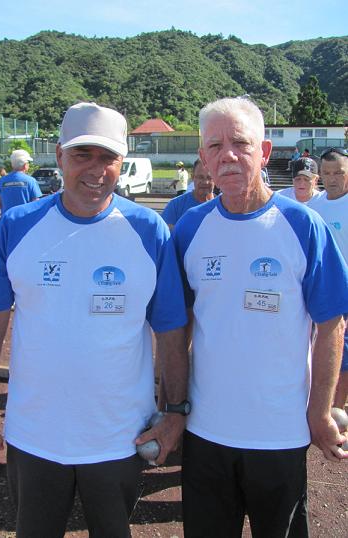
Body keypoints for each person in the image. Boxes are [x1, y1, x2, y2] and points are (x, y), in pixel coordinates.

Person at [0, 102, 189, 538]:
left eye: (108, 157)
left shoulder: (149, 230)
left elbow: (171, 330)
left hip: (119, 437)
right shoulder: (18, 224)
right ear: (60, 156)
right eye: (83, 154)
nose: (96, 169)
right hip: (36, 437)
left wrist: (174, 412)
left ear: (121, 163)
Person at [172, 97, 348, 538]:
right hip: (206, 431)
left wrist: (320, 410)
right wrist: (171, 405)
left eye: (240, 143)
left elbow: (331, 325)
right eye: (214, 146)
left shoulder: (304, 226)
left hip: (280, 431)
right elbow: (177, 326)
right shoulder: (189, 229)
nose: (227, 155)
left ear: (265, 152)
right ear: (202, 157)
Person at [309, 147, 348, 411]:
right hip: (318, 294)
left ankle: (335, 409)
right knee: (316, 352)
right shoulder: (313, 208)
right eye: (326, 173)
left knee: (342, 356)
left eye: (339, 172)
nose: (332, 178)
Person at [162, 159, 215, 230]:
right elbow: (164, 234)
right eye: (200, 177)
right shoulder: (175, 206)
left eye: (209, 177)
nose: (205, 182)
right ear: (193, 177)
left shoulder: (224, 206)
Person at [0, 149, 42, 214]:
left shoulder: (2, 181)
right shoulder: (31, 181)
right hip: (25, 219)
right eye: (28, 162)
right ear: (25, 165)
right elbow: (35, 204)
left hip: (7, 220)